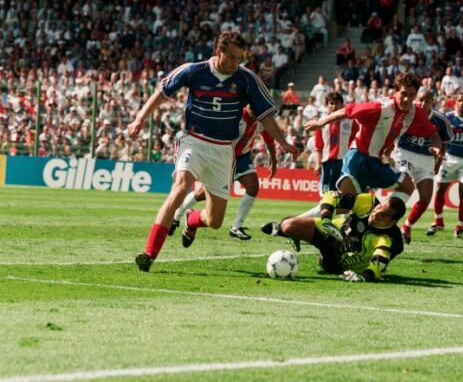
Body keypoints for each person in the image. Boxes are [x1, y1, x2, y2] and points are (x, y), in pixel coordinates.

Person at [127, 30, 298, 272]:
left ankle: (192, 220)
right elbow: (161, 93)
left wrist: (283, 142)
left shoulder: (247, 79)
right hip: (194, 142)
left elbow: (266, 115)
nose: (236, 62)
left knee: (215, 221)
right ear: (219, 51)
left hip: (223, 151)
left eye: (239, 58)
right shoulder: (193, 71)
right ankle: (149, 254)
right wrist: (140, 118)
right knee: (180, 189)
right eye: (232, 57)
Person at [304, 72, 442, 204]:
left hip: (375, 161)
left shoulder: (415, 113)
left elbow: (434, 134)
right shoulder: (381, 107)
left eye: (411, 95)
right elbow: (347, 110)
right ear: (395, 92)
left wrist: (437, 146)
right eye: (403, 94)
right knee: (344, 207)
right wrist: (320, 122)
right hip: (358, 157)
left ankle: (377, 214)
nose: (407, 99)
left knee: (405, 187)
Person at [170, 105, 278, 240]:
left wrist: (274, 162)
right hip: (224, 158)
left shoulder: (262, 119)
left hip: (242, 158)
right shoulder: (236, 114)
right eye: (252, 107)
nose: (254, 111)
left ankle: (236, 227)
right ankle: (177, 215)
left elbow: (269, 141)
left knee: (253, 186)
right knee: (202, 194)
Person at [262, 191, 406, 283]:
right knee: (288, 225)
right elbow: (332, 195)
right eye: (378, 208)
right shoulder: (369, 202)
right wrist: (326, 219)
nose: (375, 215)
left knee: (327, 265)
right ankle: (285, 232)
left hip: (339, 262)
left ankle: (303, 240)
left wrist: (365, 276)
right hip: (333, 232)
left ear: (393, 222)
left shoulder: (390, 239)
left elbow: (380, 261)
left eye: (383, 215)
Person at [393, 88, 453, 244]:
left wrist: (438, 163)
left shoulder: (441, 120)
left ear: (433, 102)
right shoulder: (407, 113)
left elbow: (445, 142)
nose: (423, 103)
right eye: (420, 100)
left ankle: (406, 226)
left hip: (426, 160)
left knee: (425, 199)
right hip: (405, 154)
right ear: (415, 99)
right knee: (403, 188)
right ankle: (388, 223)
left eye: (427, 101)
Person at [427, 92, 463, 238]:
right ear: (455, 102)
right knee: (439, 190)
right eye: (459, 100)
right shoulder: (447, 117)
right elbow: (440, 139)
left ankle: (460, 226)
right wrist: (438, 160)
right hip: (448, 158)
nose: (461, 103)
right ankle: (438, 220)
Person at [299, 92, 355, 218]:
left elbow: (355, 142)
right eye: (331, 103)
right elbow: (319, 146)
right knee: (326, 195)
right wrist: (318, 164)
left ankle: (343, 221)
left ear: (342, 104)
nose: (334, 106)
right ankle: (321, 220)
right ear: (327, 105)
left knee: (344, 194)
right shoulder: (321, 123)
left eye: (337, 103)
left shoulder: (350, 122)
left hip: (345, 163)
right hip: (327, 163)